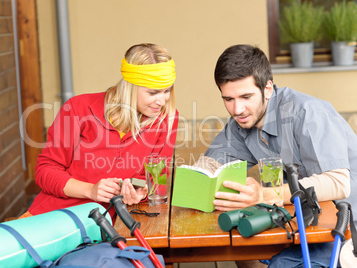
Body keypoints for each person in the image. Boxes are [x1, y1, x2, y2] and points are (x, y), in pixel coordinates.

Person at [196, 44, 357, 267]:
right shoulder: (243, 122)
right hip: (299, 223)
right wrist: (197, 178)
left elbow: (339, 183)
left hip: (345, 227)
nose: (237, 109)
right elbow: (210, 164)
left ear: (268, 88)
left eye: (246, 96)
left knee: (281, 263)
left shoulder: (308, 113)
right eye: (228, 99)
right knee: (239, 248)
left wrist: (263, 195)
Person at [21, 43, 179, 220]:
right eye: (153, 92)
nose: (162, 101)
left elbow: (156, 176)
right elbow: (45, 171)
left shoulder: (166, 118)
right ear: (130, 87)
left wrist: (140, 191)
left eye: (167, 91)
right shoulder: (78, 108)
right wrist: (90, 190)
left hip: (110, 224)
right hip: (55, 216)